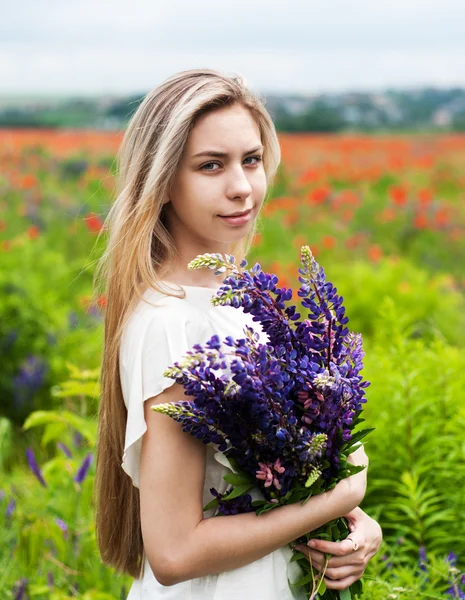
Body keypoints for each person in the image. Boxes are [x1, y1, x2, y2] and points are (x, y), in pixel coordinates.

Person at [93, 68, 382, 599]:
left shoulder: (235, 304)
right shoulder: (173, 324)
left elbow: (262, 476)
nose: (242, 187)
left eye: (251, 160)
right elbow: (175, 551)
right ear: (161, 184)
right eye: (211, 166)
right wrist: (343, 493)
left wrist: (355, 529)